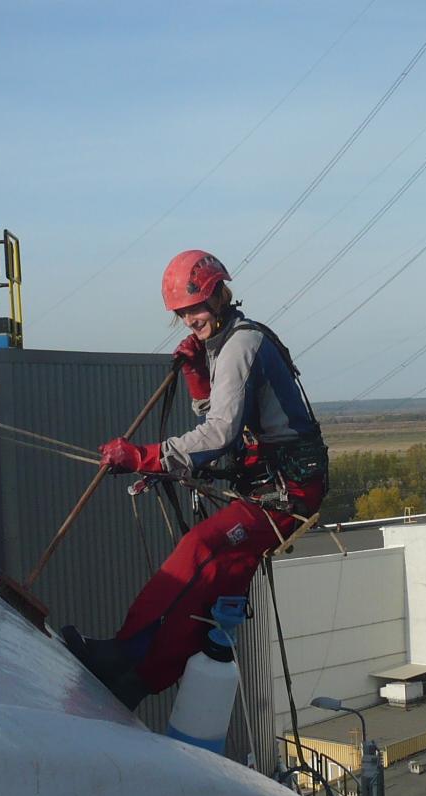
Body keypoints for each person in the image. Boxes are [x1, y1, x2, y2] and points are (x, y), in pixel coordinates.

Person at [64, 250, 327, 709]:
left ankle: (128, 659)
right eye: (183, 313)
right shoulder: (226, 344)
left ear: (220, 295)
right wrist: (194, 372)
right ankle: (136, 675)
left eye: (197, 307)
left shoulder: (241, 346)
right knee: (209, 572)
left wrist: (144, 457)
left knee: (199, 549)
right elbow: (220, 414)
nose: (190, 320)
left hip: (288, 492)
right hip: (270, 486)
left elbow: (220, 433)